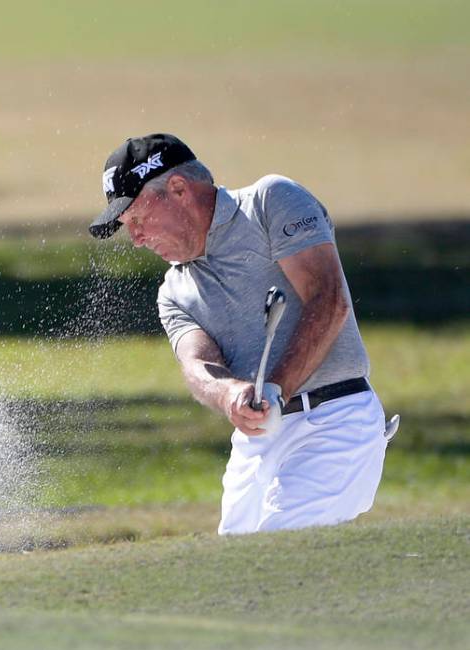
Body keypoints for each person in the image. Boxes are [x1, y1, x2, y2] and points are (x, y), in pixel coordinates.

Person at [89, 133, 392, 535]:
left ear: (178, 189)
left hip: (334, 419)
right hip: (257, 441)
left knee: (279, 556)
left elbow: (328, 299)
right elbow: (199, 364)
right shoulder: (173, 292)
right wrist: (230, 394)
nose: (137, 239)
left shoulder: (272, 202)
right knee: (240, 573)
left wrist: (277, 387)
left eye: (139, 219)